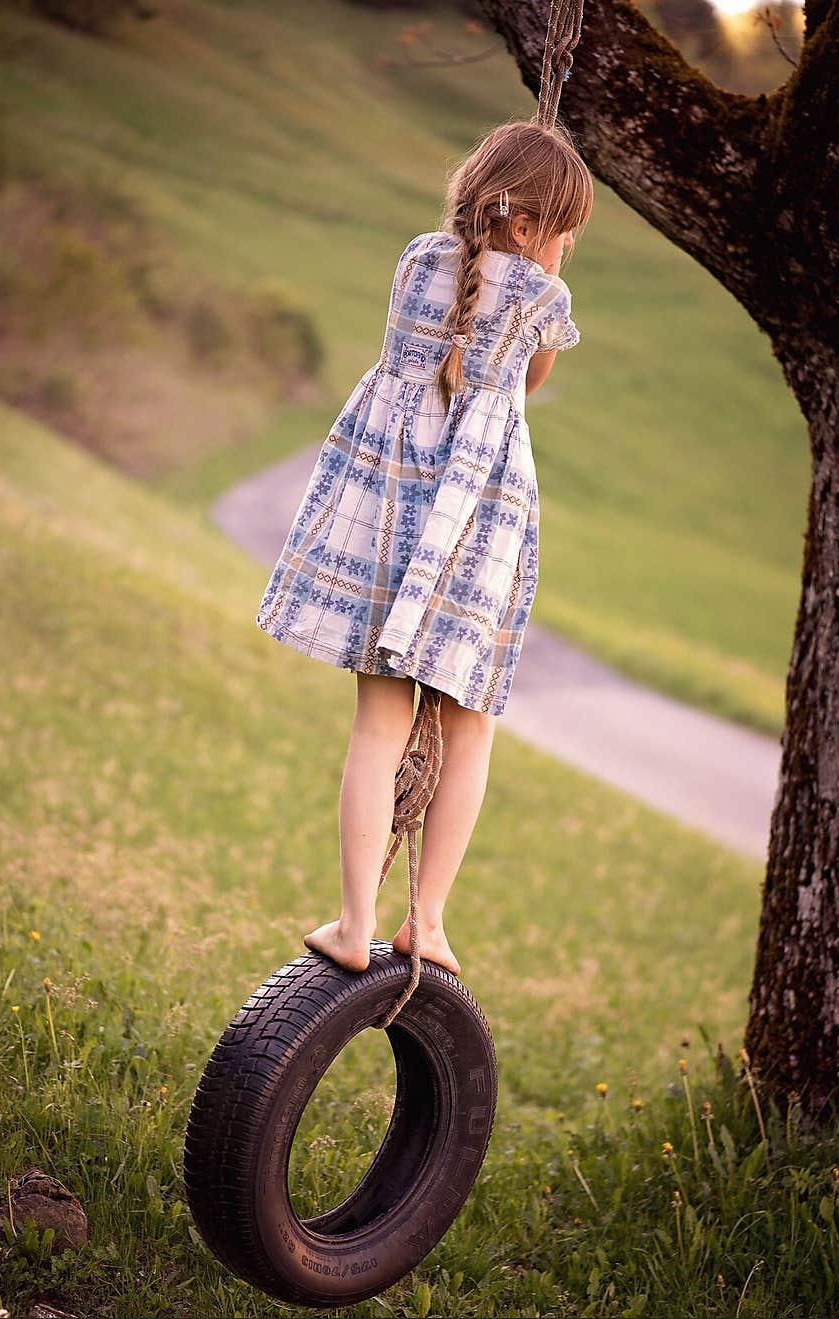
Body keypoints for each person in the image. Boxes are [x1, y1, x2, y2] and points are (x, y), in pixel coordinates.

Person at [256, 118, 594, 978]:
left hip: (385, 506)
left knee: (378, 722)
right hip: (476, 521)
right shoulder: (540, 298)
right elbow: (528, 379)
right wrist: (545, 277)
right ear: (528, 230)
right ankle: (428, 921)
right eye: (565, 234)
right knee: (469, 725)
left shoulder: (416, 261)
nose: (565, 250)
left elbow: (437, 341)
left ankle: (351, 919)